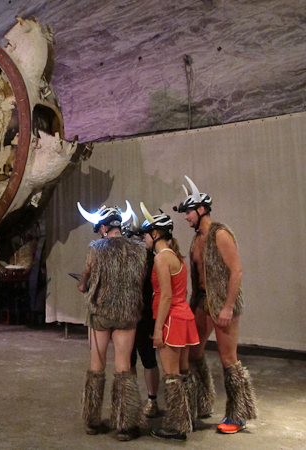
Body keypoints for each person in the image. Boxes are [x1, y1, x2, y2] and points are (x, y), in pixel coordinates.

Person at [174, 175, 257, 434]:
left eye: (188, 212)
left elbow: (237, 271)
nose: (186, 217)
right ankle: (202, 400)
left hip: (222, 303)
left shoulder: (220, 234)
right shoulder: (196, 239)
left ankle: (238, 415)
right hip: (202, 302)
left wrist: (228, 307)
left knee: (228, 359)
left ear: (201, 210)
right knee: (194, 353)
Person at [77, 202, 147, 441]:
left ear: (104, 227)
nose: (99, 232)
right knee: (123, 366)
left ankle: (92, 421)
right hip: (127, 315)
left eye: (99, 228)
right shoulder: (138, 249)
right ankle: (125, 425)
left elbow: (86, 284)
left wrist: (83, 283)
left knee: (96, 365)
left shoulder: (96, 248)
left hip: (100, 314)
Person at [140, 203, 199, 441]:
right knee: (183, 372)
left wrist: (157, 329)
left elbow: (165, 295)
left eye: (146, 235)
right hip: (184, 317)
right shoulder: (176, 256)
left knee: (172, 374)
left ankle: (176, 426)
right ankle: (186, 417)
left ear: (155, 234)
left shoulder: (161, 258)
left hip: (171, 319)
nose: (144, 239)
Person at [122, 204, 160, 419]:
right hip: (128, 316)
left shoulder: (150, 259)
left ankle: (152, 400)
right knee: (128, 361)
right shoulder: (125, 261)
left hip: (145, 316)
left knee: (148, 358)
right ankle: (132, 399)